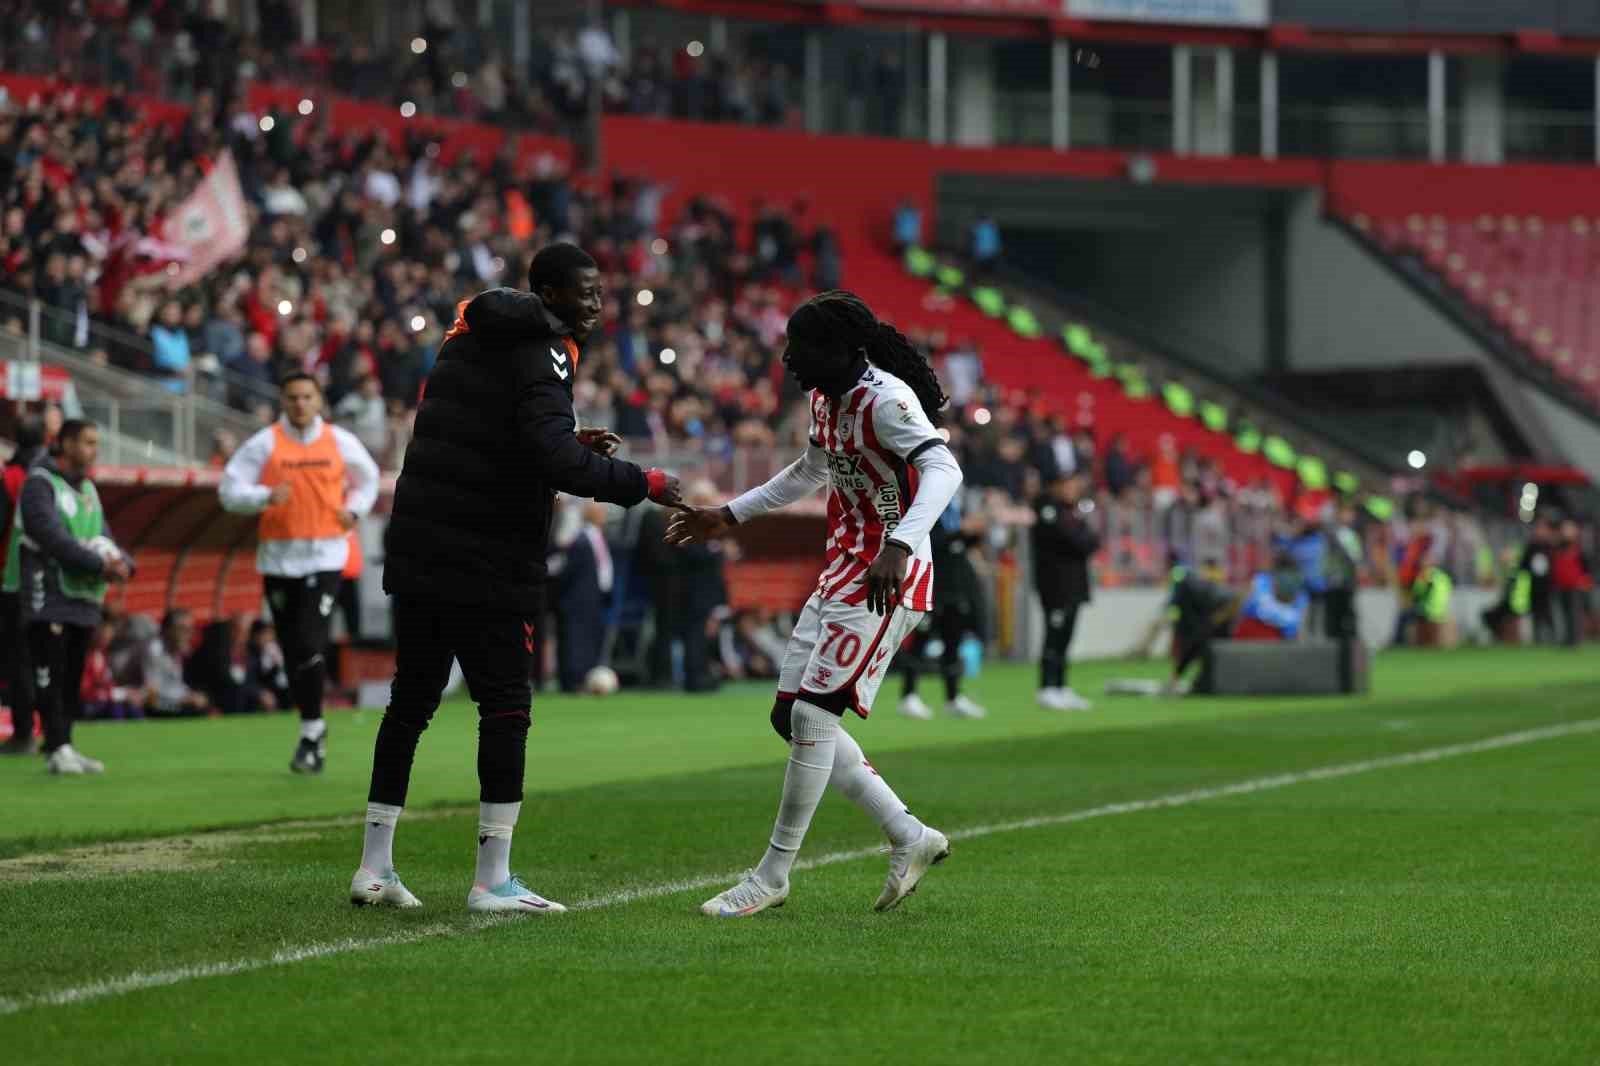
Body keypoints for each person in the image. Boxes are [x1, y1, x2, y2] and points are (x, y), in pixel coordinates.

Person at [352, 243, 682, 914]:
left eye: (601, 292)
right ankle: (492, 880)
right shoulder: (547, 349)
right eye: (585, 293)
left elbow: (483, 431)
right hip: (489, 553)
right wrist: (642, 483)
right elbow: (555, 461)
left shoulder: (466, 333)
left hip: (421, 544)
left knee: (410, 703)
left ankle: (374, 868)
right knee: (505, 706)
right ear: (548, 295)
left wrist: (567, 439)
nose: (597, 305)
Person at [666, 289, 964, 918]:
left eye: (800, 347)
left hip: (888, 575)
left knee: (812, 717)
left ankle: (772, 875)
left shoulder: (887, 401)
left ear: (842, 349)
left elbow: (945, 470)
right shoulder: (826, 399)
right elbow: (809, 471)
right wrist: (728, 514)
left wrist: (900, 545)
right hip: (844, 568)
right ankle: (909, 835)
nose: (788, 359)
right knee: (791, 718)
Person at [219, 372, 381, 774]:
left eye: (307, 396)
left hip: (325, 557)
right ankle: (313, 728)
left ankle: (311, 732)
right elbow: (229, 491)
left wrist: (354, 510)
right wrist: (263, 496)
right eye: (293, 397)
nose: (300, 404)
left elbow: (369, 479)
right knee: (293, 649)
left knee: (309, 642)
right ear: (282, 400)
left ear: (319, 400)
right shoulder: (265, 443)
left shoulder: (340, 441)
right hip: (278, 559)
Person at [15, 419, 131, 773]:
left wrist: (124, 563)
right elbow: (51, 536)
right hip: (46, 593)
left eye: (96, 443)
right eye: (87, 442)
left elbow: (104, 535)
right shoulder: (39, 483)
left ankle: (64, 744)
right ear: (65, 444)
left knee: (71, 675)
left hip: (82, 595)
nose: (94, 450)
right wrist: (100, 564)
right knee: (50, 670)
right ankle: (55, 747)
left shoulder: (89, 489)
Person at [898, 498, 988, 721]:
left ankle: (953, 698)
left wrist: (975, 533)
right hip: (931, 588)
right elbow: (933, 542)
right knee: (919, 642)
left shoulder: (954, 508)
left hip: (954, 588)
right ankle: (908, 696)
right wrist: (961, 531)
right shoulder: (926, 505)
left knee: (953, 644)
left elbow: (957, 546)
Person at [1032, 470, 1100, 712]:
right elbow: (1070, 540)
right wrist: (1081, 539)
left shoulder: (1072, 512)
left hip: (1074, 585)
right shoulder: (1047, 509)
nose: (1073, 489)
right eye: (1069, 485)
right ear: (1057, 486)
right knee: (1054, 636)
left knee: (1065, 638)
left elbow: (1092, 541)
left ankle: (1061, 686)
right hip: (1055, 585)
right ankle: (1046, 688)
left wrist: (1082, 539)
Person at [1, 414, 49, 754]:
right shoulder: (52, 478)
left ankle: (23, 733)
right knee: (47, 656)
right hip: (52, 581)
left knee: (19, 658)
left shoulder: (11, 478)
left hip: (13, 577)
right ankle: (55, 732)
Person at [1552, 517, 1593, 646]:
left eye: (1569, 529)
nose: (1566, 531)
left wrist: (1585, 582)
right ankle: (1566, 639)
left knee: (1574, 614)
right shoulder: (1558, 547)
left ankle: (1575, 640)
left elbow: (1587, 568)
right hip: (1560, 586)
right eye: (1565, 529)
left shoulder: (1580, 548)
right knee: (1562, 613)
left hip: (1575, 587)